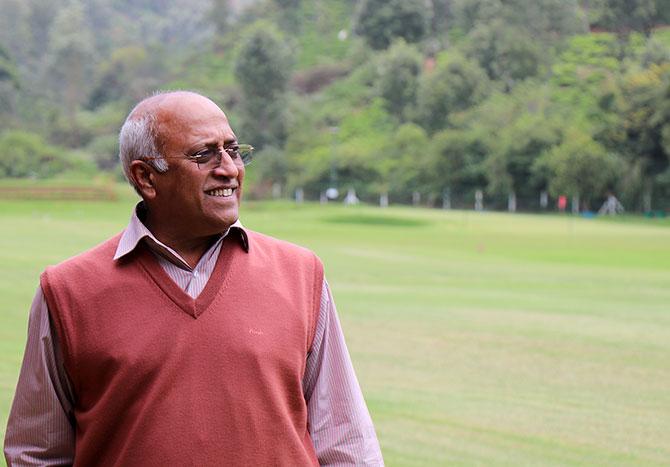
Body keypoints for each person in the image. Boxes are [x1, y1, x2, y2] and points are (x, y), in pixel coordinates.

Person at [4, 91, 384, 466]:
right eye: (204, 154)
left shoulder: (302, 274)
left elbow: (346, 443)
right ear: (146, 177)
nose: (229, 169)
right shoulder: (68, 292)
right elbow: (37, 455)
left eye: (233, 151)